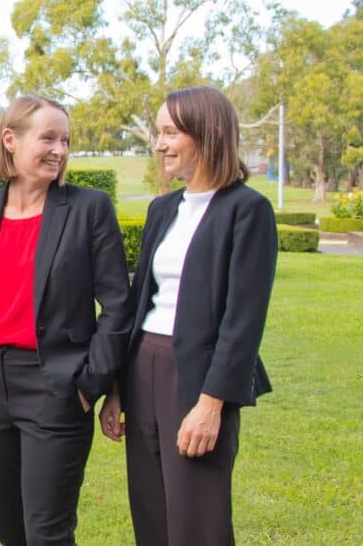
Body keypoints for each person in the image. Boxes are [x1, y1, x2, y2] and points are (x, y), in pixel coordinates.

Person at [0, 95, 132, 545]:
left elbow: (118, 305)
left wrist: (91, 385)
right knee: (12, 533)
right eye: (48, 138)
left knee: (47, 534)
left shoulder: (88, 209)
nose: (60, 151)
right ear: (10, 140)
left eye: (65, 141)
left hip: (57, 388)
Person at [99, 86, 278, 545]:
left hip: (197, 378)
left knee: (198, 520)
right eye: (159, 132)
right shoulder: (162, 210)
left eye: (169, 132)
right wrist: (117, 388)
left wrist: (212, 403)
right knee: (151, 513)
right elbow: (141, 301)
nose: (159, 144)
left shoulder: (247, 211)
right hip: (143, 370)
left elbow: (243, 321)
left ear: (207, 134)